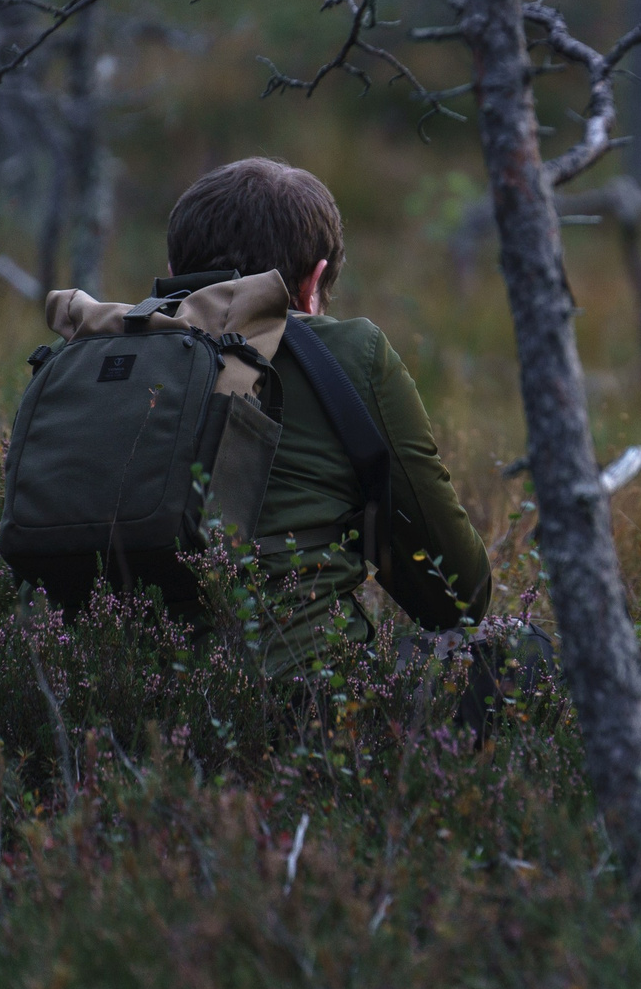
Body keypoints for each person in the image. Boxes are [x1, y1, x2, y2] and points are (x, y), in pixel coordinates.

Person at [152, 157, 492, 674]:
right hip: (306, 703)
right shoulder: (351, 354)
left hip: (84, 701)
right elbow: (458, 594)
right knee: (524, 658)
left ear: (174, 274)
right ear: (314, 282)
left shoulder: (94, 359)